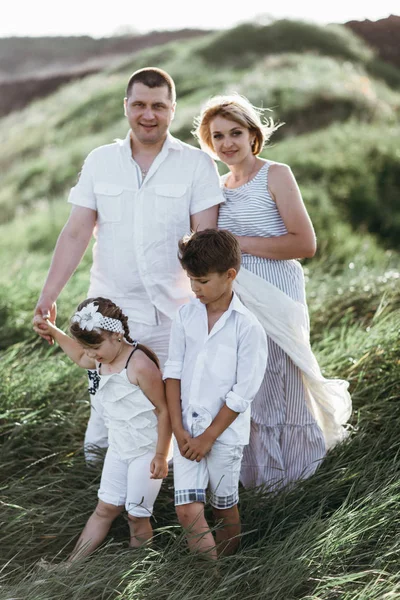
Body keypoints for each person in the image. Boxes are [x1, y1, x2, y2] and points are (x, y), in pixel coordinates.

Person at [33, 67, 224, 460]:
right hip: (107, 316)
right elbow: (75, 234)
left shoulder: (198, 165)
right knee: (106, 414)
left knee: (175, 414)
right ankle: (103, 493)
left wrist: (209, 312)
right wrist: (48, 295)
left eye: (158, 106)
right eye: (139, 105)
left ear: (173, 109)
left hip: (175, 314)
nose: (148, 114)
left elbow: (206, 245)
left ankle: (166, 497)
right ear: (126, 107)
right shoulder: (100, 161)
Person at [193, 94, 351, 490]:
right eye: (218, 136)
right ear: (208, 143)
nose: (228, 143)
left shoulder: (275, 174)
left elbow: (304, 244)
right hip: (237, 297)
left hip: (277, 292)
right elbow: (204, 245)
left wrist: (238, 243)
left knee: (283, 378)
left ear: (252, 135)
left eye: (236, 132)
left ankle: (298, 478)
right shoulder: (216, 188)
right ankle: (260, 482)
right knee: (251, 384)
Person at [36, 297, 171, 561]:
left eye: (94, 347)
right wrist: (52, 329)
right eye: (87, 349)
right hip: (119, 446)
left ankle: (138, 572)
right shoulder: (99, 358)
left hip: (146, 450)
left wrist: (160, 455)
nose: (90, 354)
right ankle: (70, 567)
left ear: (116, 334)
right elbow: (77, 355)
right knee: (105, 508)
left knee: (136, 515)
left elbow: (163, 411)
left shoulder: (139, 364)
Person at [163, 229, 268, 559]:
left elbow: (242, 393)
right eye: (191, 280)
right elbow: (173, 372)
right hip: (185, 433)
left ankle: (226, 572)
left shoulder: (247, 327)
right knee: (186, 511)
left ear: (230, 275)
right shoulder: (185, 316)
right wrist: (178, 430)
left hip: (222, 436)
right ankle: (210, 578)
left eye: (203, 281)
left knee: (224, 510)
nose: (195, 289)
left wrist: (208, 437)